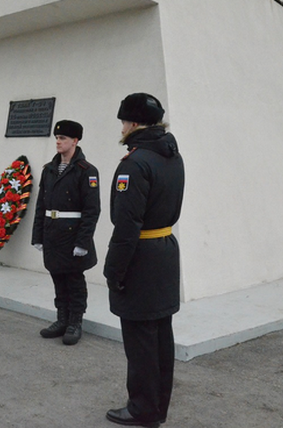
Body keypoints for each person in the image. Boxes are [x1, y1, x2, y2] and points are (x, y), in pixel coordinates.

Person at [104, 93, 185, 428]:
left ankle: (141, 409)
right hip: (165, 249)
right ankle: (157, 406)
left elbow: (127, 226)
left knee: (139, 341)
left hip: (141, 256)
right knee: (160, 337)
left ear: (134, 123)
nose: (122, 127)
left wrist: (114, 270)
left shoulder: (135, 163)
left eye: (124, 121)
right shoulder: (172, 156)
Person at [31, 120, 100, 345]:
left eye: (63, 138)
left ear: (75, 141)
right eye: (57, 138)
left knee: (74, 281)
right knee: (57, 278)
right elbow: (41, 205)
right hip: (52, 232)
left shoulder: (87, 171)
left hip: (72, 235)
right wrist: (37, 235)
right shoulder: (49, 169)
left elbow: (92, 210)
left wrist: (83, 242)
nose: (58, 142)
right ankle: (62, 319)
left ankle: (75, 322)